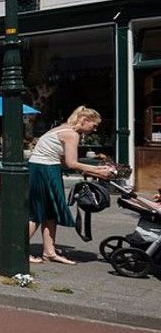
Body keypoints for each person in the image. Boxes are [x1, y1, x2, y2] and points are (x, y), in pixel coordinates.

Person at [27, 106, 117, 263]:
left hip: (44, 169)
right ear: (84, 120)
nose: (94, 129)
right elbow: (71, 163)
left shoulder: (62, 128)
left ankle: (49, 252)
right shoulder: (72, 134)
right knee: (38, 212)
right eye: (94, 125)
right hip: (45, 170)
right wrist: (98, 170)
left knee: (50, 213)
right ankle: (18, 251)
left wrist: (95, 171)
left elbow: (64, 161)